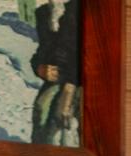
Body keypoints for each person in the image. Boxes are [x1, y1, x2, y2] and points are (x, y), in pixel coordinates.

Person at [30, 0, 81, 146]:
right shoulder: (44, 11)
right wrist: (40, 68)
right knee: (41, 109)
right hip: (57, 80)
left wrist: (69, 88)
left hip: (80, 80)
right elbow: (42, 51)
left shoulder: (80, 9)